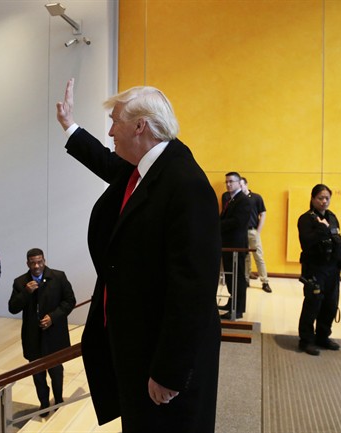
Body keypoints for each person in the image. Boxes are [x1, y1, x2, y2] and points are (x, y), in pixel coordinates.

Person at [55, 78, 222, 432]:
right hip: (139, 349)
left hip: (163, 363)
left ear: (140, 126)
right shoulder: (147, 170)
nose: (111, 130)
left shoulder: (185, 184)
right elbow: (106, 162)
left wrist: (169, 373)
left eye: (115, 121)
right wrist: (71, 127)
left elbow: (193, 290)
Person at [8, 248, 75, 417]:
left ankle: (58, 400)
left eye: (40, 262)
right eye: (33, 263)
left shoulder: (58, 277)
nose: (37, 266)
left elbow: (69, 301)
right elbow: (13, 308)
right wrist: (26, 292)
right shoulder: (20, 282)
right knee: (37, 373)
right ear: (27, 263)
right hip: (32, 336)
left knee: (56, 370)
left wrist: (53, 317)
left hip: (54, 334)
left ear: (44, 260)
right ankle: (44, 404)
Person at [297, 184, 341, 356]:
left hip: (332, 268)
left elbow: (338, 239)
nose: (324, 201)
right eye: (320, 198)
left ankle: (323, 336)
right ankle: (306, 340)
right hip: (314, 267)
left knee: (330, 304)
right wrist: (321, 228)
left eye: (327, 198)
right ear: (312, 199)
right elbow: (307, 242)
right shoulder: (305, 219)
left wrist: (340, 259)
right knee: (313, 303)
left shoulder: (332, 217)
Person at [219, 172, 250, 319]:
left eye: (231, 181)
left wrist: (216, 225)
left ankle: (237, 309)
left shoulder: (243, 200)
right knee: (230, 276)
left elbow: (238, 221)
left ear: (239, 183)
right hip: (228, 243)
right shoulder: (231, 199)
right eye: (227, 182)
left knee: (237, 277)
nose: (228, 184)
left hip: (236, 244)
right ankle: (232, 302)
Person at [240, 177, 271, 293]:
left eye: (242, 185)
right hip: (241, 232)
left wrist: (258, 231)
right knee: (245, 257)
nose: (240, 187)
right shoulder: (238, 199)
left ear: (246, 184)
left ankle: (265, 281)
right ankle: (246, 279)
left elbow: (263, 214)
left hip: (252, 231)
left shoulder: (256, 197)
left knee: (258, 256)